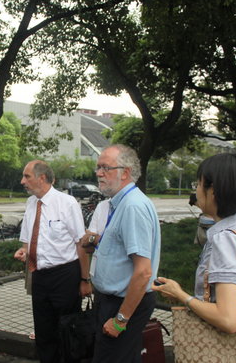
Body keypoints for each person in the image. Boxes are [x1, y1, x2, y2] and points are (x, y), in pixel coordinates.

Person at [152, 153, 236, 334]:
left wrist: (181, 295)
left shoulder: (227, 239)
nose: (196, 190)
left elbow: (228, 319)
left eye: (198, 184)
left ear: (213, 190)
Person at [13, 160, 92, 363]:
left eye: (26, 176)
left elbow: (80, 244)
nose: (22, 181)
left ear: (42, 178)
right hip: (38, 275)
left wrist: (85, 280)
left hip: (64, 276)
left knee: (67, 330)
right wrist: (23, 251)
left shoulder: (67, 203)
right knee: (44, 331)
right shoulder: (31, 203)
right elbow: (26, 239)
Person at [90, 144, 160, 363]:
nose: (99, 173)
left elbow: (143, 272)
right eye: (98, 167)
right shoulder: (120, 204)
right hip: (114, 301)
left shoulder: (132, 207)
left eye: (105, 168)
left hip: (123, 305)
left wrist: (120, 320)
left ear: (126, 173)